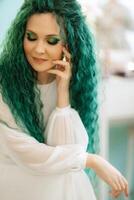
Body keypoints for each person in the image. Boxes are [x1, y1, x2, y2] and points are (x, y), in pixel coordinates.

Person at [0, 0, 128, 199]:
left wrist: (62, 94)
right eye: (31, 37)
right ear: (21, 36)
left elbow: (67, 152)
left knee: (70, 175)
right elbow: (25, 152)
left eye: (51, 41)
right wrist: (91, 160)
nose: (39, 49)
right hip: (18, 179)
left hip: (54, 181)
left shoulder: (73, 82)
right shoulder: (5, 82)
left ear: (68, 45)